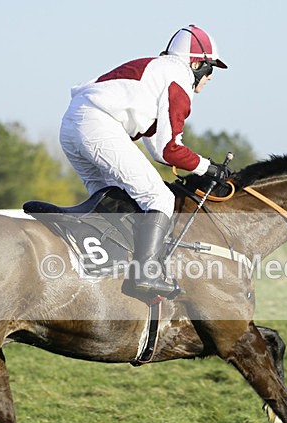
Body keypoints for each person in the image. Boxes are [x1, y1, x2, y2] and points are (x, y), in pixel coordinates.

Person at [59, 25, 228, 298]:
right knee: (160, 198)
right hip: (98, 125)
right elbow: (169, 149)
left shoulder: (158, 71)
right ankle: (146, 273)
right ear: (196, 63)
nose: (209, 78)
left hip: (72, 125)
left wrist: (196, 164)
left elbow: (155, 144)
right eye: (210, 70)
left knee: (116, 197)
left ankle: (108, 264)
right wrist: (207, 167)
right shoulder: (179, 79)